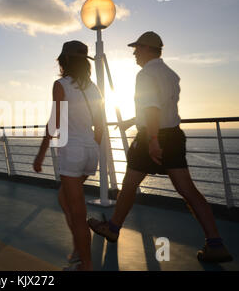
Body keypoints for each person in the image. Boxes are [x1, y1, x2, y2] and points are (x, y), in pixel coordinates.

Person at [87, 31, 233, 263]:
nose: (134, 53)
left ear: (147, 48)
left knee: (129, 185)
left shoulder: (144, 75)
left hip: (151, 138)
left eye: (137, 49)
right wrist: (133, 121)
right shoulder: (171, 74)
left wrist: (153, 140)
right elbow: (162, 108)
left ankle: (112, 229)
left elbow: (153, 110)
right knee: (188, 191)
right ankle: (215, 243)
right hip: (173, 136)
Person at [33, 40, 104, 271]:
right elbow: (100, 125)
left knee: (77, 210)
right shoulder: (94, 88)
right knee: (64, 199)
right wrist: (91, 147)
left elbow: (54, 122)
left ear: (64, 60)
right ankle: (78, 248)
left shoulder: (60, 84)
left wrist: (40, 155)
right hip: (91, 150)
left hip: (72, 151)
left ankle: (86, 264)